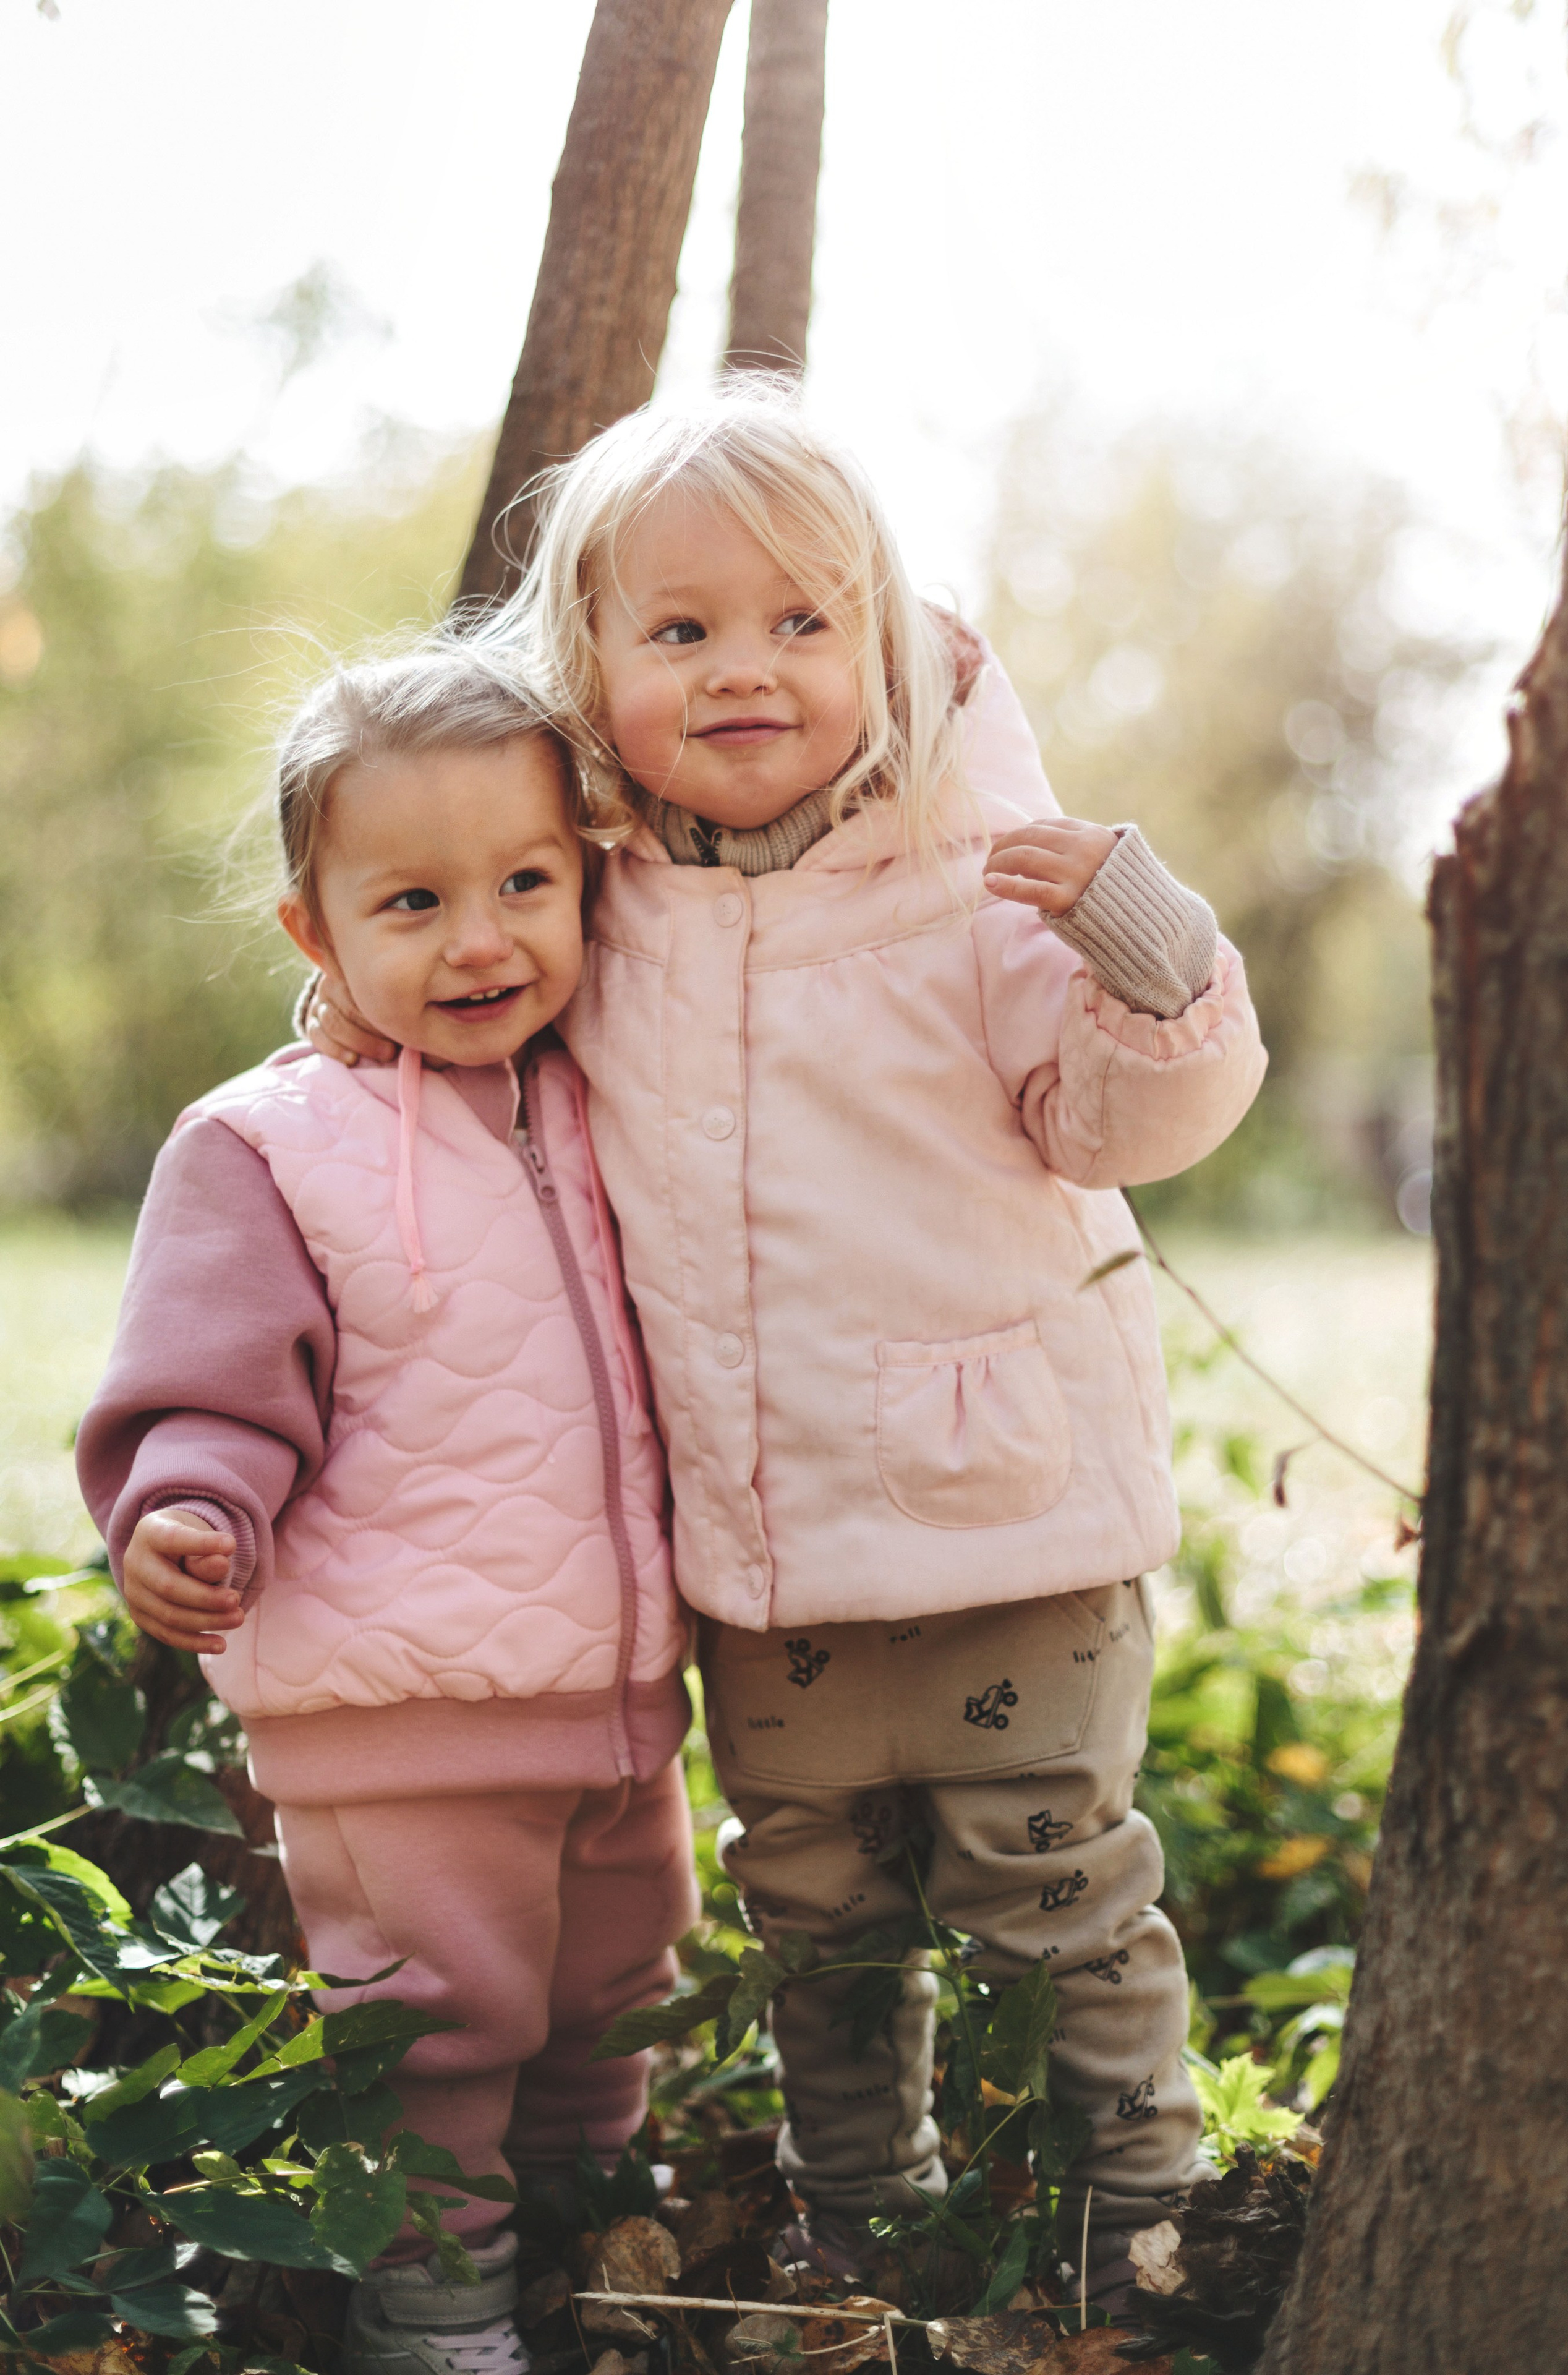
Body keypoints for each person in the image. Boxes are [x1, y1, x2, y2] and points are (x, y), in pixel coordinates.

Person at [308, 387, 1268, 2309]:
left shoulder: (978, 879)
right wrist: (372, 1019)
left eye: (802, 621)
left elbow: (1127, 1123)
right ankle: (865, 2215)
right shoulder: (605, 910)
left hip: (1008, 1525)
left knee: (1059, 1885)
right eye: (681, 629)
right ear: (592, 671)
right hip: (762, 1550)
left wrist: (1151, 949)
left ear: (890, 646)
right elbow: (495, 1048)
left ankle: (1140, 2217)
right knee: (816, 1910)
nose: (744, 667)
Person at [77, 646, 698, 2375]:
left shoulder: (606, 1093)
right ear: (316, 931)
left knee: (611, 1995)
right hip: (395, 1717)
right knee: (437, 2029)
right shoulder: (268, 1146)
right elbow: (212, 1379)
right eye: (413, 902)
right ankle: (433, 2306)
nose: (481, 940)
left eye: (526, 884)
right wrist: (189, 1505)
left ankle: (585, 2234)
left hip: (614, 1700)